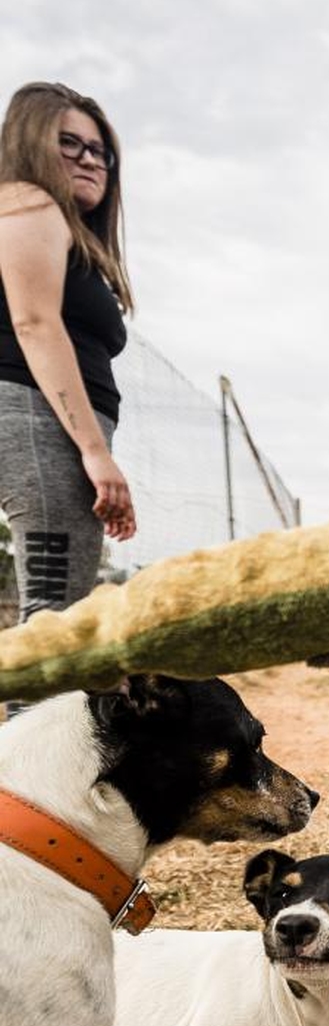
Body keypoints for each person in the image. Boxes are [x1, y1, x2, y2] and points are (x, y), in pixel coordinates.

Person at [0, 81, 136, 680]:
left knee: (56, 620)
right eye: (70, 143)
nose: (90, 159)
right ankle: (27, 776)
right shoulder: (27, 201)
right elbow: (34, 324)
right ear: (31, 143)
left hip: (45, 422)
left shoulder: (59, 227)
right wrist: (94, 451)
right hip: (36, 419)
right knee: (53, 627)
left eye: (100, 150)